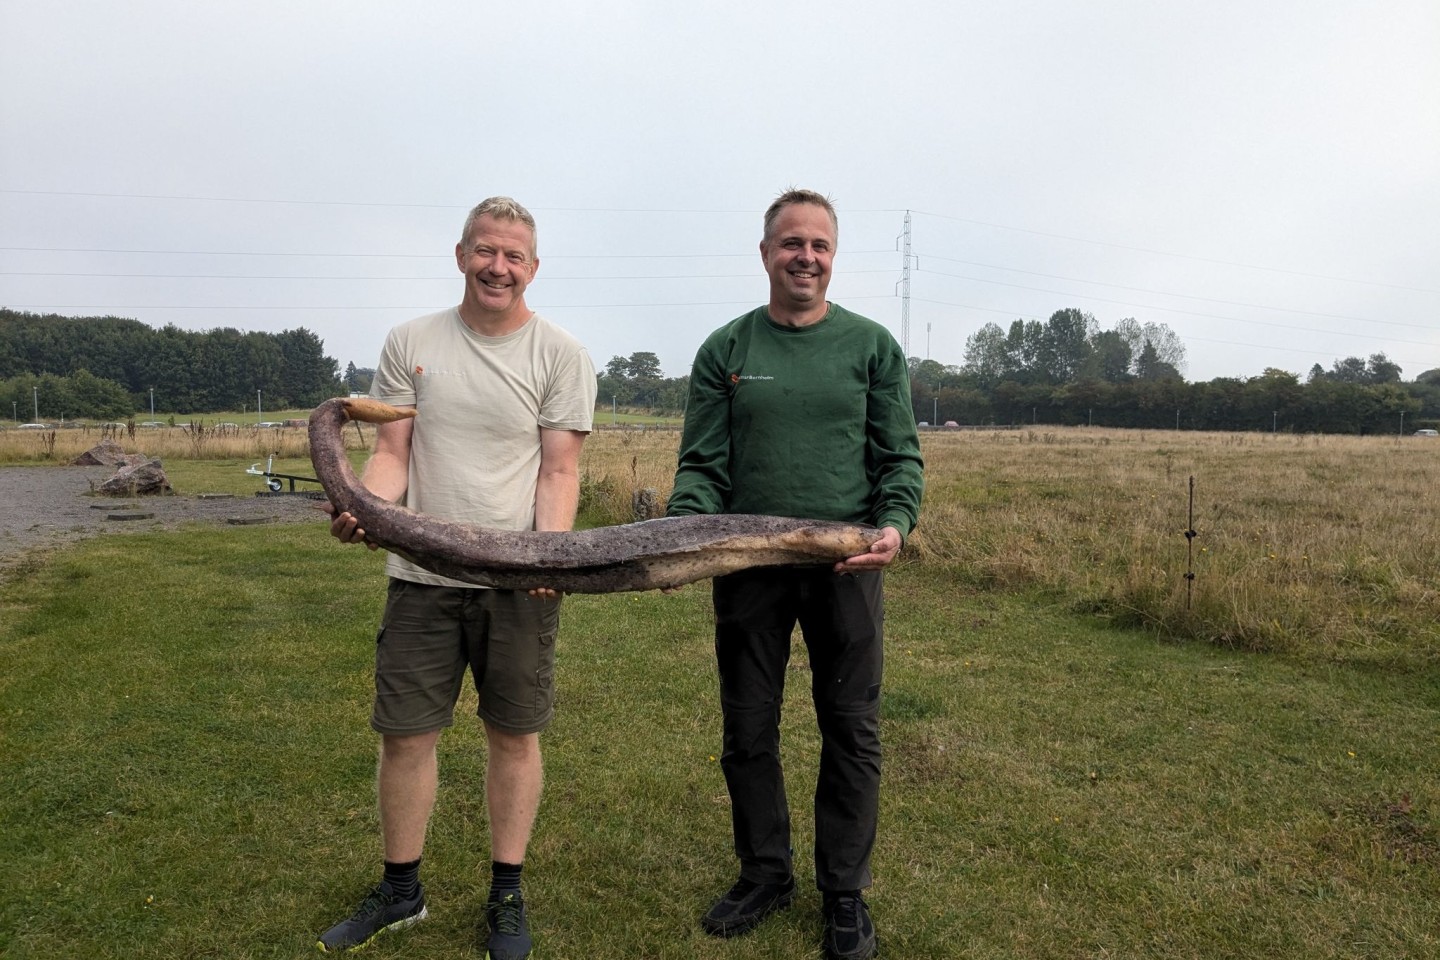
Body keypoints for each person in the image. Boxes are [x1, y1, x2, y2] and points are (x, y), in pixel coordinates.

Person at [316, 197, 597, 957]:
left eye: (513, 256)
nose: (497, 267)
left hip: (519, 582)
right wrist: (367, 508)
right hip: (421, 577)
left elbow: (560, 468)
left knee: (514, 735)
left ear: (532, 268)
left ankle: (506, 893)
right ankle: (401, 890)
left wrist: (551, 557)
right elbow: (391, 454)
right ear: (461, 254)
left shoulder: (560, 354)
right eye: (485, 251)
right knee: (406, 736)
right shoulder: (411, 342)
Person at [666, 189, 924, 960]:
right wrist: (687, 527)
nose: (804, 256)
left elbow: (898, 457)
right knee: (749, 727)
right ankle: (764, 873)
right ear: (765, 253)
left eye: (818, 244)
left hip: (845, 562)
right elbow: (704, 465)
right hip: (747, 563)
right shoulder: (727, 350)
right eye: (790, 243)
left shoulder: (873, 347)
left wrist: (895, 525)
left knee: (851, 728)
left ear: (833, 256)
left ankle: (843, 893)